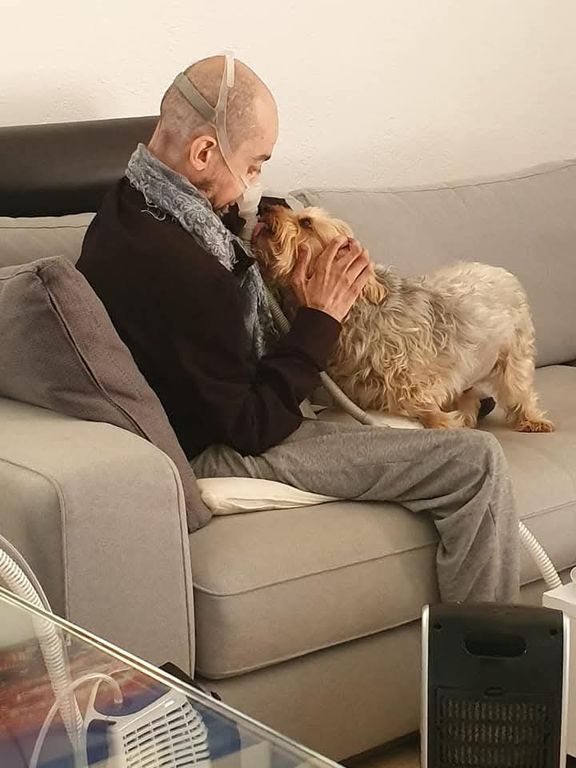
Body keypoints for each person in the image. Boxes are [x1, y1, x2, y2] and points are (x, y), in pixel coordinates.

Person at [77, 55, 519, 603]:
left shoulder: (126, 208)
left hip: (213, 415)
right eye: (254, 164)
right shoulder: (188, 272)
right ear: (205, 153)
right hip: (219, 445)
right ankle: (485, 657)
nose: (254, 184)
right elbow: (251, 425)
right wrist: (320, 318)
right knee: (476, 463)